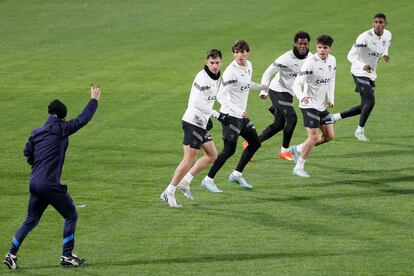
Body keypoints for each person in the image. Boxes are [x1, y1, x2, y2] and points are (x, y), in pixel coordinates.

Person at [3, 86, 101, 270]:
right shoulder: (62, 128)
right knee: (71, 215)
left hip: (35, 183)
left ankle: (11, 254)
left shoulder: (36, 131)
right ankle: (67, 255)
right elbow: (82, 120)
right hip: (49, 184)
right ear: (63, 115)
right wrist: (94, 100)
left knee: (30, 220)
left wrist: (37, 166)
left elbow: (27, 153)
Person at [160, 49, 224, 208]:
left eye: (217, 63)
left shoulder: (217, 77)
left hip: (201, 123)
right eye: (212, 63)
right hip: (192, 122)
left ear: (221, 62)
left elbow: (210, 99)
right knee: (189, 159)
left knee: (212, 155)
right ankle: (169, 191)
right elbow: (196, 102)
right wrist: (216, 114)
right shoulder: (202, 77)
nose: (215, 66)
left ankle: (185, 181)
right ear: (206, 62)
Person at [201, 40, 266, 192]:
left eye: (242, 52)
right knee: (229, 150)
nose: (240, 55)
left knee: (255, 143)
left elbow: (246, 83)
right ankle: (208, 180)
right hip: (230, 115)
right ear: (233, 53)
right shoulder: (231, 71)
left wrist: (261, 87)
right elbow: (221, 96)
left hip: (241, 116)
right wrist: (238, 110)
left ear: (247, 52)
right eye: (236, 52)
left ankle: (236, 175)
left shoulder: (248, 65)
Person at [332, 13, 392, 141]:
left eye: (381, 22)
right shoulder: (364, 37)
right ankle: (360, 130)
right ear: (373, 23)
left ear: (385, 25)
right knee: (370, 100)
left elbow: (386, 44)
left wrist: (385, 54)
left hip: (371, 73)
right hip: (359, 71)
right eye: (376, 22)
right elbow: (350, 56)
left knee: (365, 105)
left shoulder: (388, 34)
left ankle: (334, 117)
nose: (378, 25)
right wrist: (362, 65)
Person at [258, 31, 312, 161]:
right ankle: (285, 150)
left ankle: (252, 142)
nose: (303, 46)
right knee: (292, 118)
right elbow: (267, 73)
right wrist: (263, 91)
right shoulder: (285, 59)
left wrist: (304, 96)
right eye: (300, 44)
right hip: (276, 90)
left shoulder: (311, 58)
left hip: (289, 93)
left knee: (279, 124)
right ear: (295, 44)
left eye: (305, 44)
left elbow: (308, 80)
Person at [290, 35, 336, 177]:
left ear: (330, 49)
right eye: (320, 47)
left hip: (321, 105)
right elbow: (297, 83)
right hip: (308, 104)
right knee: (314, 137)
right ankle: (299, 167)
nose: (322, 50)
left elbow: (331, 79)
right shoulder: (310, 62)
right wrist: (302, 96)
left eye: (325, 48)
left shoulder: (332, 60)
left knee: (329, 136)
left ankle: (297, 149)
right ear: (316, 47)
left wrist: (331, 97)